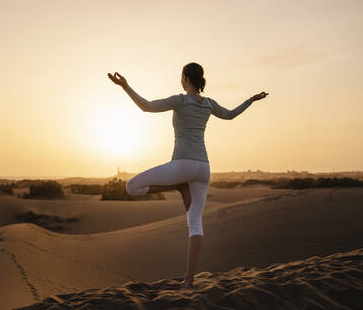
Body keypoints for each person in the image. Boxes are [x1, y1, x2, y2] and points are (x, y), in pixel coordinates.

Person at [107, 62, 268, 287]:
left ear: (185, 78)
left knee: (132, 187)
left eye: (181, 76)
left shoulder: (180, 100)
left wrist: (125, 86)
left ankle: (177, 186)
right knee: (195, 224)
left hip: (183, 165)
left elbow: (146, 106)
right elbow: (231, 115)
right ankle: (189, 279)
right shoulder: (209, 103)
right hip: (203, 168)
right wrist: (251, 100)